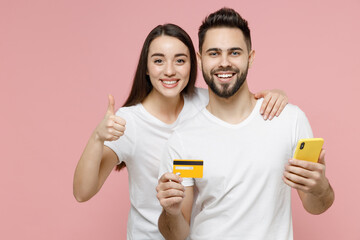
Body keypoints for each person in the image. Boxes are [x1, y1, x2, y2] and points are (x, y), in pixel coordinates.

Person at [73, 23, 288, 239]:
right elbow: (82, 192)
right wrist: (97, 137)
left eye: (180, 60)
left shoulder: (204, 102)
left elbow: (245, 105)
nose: (169, 70)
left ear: (194, 64)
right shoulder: (130, 122)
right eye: (158, 61)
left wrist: (277, 94)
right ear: (146, 68)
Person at [157, 8, 334, 240]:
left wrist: (320, 187)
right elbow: (176, 234)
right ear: (200, 60)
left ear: (250, 58)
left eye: (234, 52)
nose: (224, 63)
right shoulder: (184, 139)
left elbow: (316, 206)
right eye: (214, 53)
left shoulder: (289, 120)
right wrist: (170, 212)